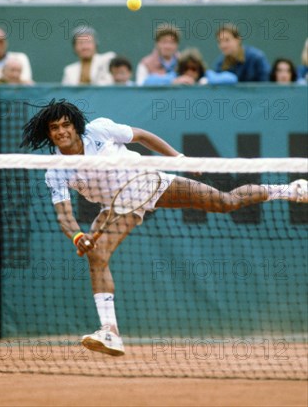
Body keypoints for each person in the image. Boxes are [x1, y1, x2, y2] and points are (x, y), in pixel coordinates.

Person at [20, 99, 308, 356]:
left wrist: (178, 158)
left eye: (66, 125)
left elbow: (143, 136)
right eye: (55, 128)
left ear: (75, 125)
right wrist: (78, 236)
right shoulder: (55, 170)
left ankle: (288, 190)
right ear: (49, 134)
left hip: (152, 182)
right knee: (97, 255)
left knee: (225, 202)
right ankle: (110, 331)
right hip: (119, 209)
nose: (61, 131)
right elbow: (64, 215)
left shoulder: (99, 130)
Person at [143, 48, 238, 85]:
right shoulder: (175, 76)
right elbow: (148, 81)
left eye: (194, 69)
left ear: (199, 69)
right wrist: (173, 81)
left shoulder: (206, 76)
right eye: (185, 68)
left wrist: (207, 81)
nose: (190, 72)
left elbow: (232, 78)